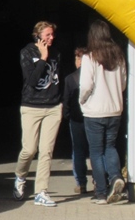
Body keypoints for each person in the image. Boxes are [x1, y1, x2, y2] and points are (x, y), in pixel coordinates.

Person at [14, 20, 63, 207]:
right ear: (37, 36)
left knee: (46, 151)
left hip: (53, 107)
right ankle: (20, 176)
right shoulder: (27, 53)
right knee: (29, 149)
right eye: (47, 35)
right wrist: (43, 57)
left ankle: (41, 191)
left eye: (52, 34)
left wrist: (61, 101)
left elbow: (57, 78)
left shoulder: (56, 53)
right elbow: (32, 81)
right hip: (31, 106)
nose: (51, 38)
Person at [80, 20, 128, 205]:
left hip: (95, 111)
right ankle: (116, 177)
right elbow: (123, 84)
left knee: (96, 151)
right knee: (110, 147)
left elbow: (86, 85)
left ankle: (100, 192)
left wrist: (82, 100)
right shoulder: (118, 56)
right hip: (115, 109)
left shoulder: (90, 57)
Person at [62, 47, 90, 194]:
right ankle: (99, 181)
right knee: (96, 150)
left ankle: (81, 183)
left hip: (76, 119)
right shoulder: (94, 77)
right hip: (92, 117)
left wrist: (67, 115)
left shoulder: (70, 79)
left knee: (78, 151)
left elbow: (66, 101)